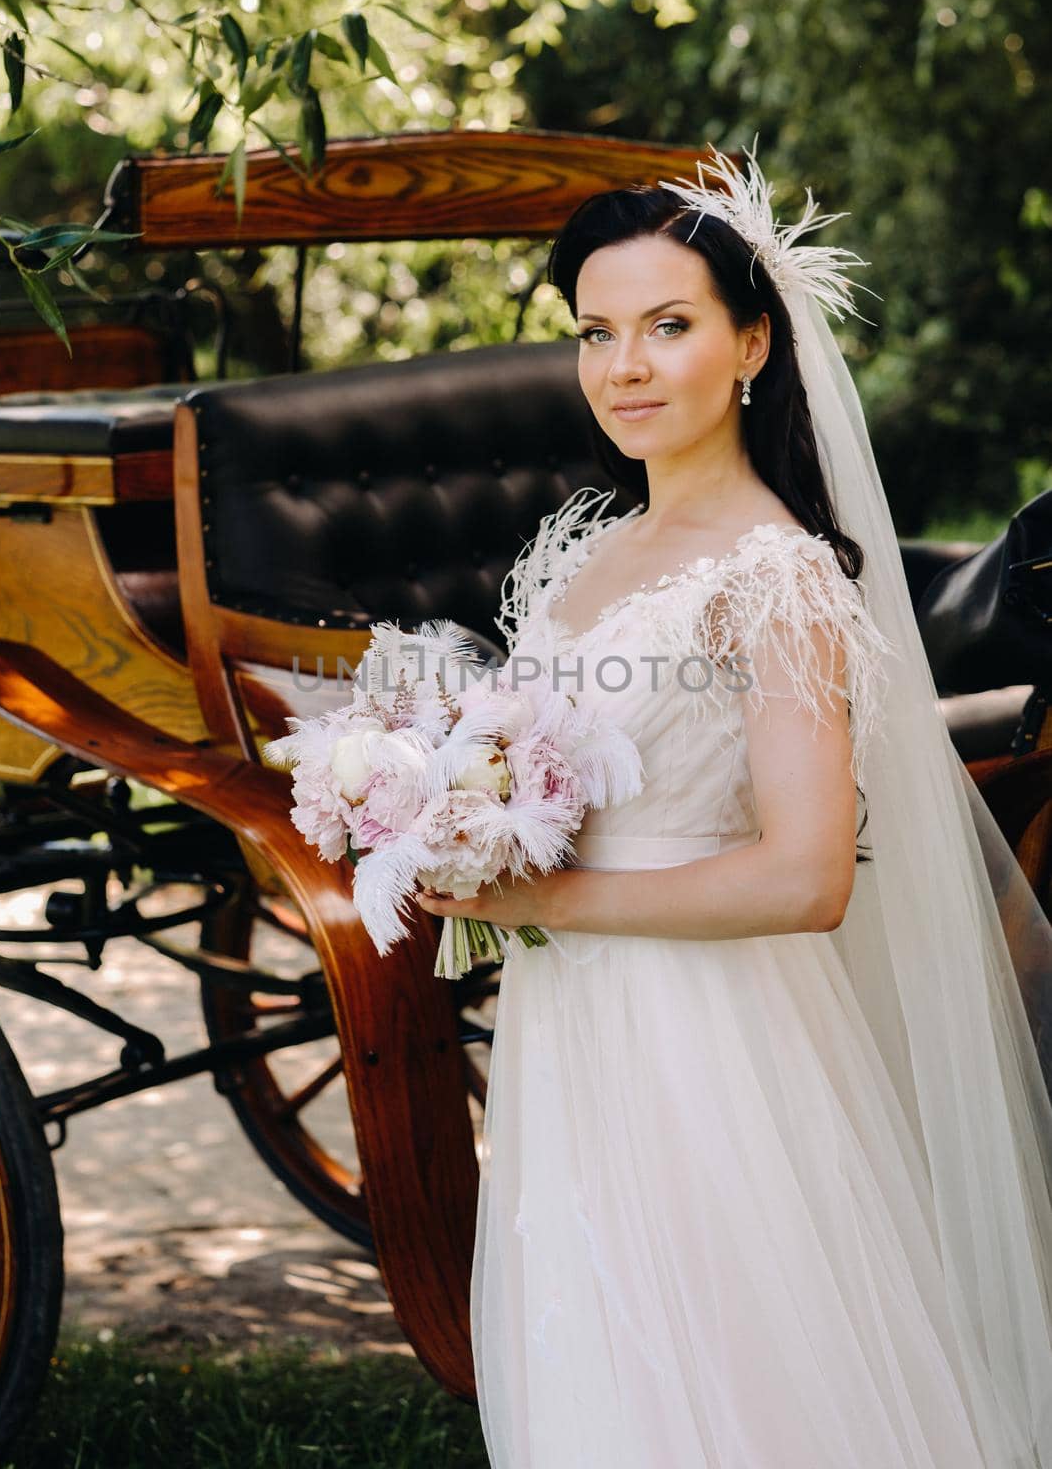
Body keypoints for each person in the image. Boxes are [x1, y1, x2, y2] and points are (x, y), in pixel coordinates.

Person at [413, 142, 1052, 1466]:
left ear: (752, 344)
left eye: (668, 325)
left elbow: (807, 876)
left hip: (714, 1038)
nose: (623, 366)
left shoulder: (776, 577)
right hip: (575, 1016)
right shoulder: (594, 552)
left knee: (730, 1359)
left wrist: (553, 895)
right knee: (598, 1332)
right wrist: (457, 829)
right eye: (595, 331)